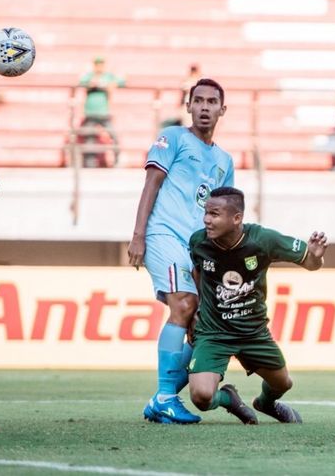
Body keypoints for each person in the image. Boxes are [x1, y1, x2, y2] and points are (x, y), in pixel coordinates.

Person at [128, 78, 235, 424]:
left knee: (199, 321)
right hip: (164, 234)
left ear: (222, 109)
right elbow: (152, 184)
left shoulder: (224, 160)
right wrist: (139, 235)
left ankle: (163, 397)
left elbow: (222, 215)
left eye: (211, 102)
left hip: (198, 250)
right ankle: (163, 396)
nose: (205, 107)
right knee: (184, 304)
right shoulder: (173, 138)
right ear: (188, 106)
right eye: (198, 101)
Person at [188, 187, 327, 425]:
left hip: (254, 333)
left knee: (283, 383)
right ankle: (228, 399)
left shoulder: (263, 240)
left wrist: (315, 255)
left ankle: (265, 403)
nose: (206, 220)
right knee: (201, 397)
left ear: (237, 218)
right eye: (206, 213)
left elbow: (311, 263)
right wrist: (197, 312)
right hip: (214, 334)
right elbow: (197, 273)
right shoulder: (199, 242)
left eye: (214, 214)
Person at [77, 56, 125, 167]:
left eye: (101, 64)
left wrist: (113, 83)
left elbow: (122, 81)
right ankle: (89, 164)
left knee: (113, 136)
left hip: (104, 113)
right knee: (89, 138)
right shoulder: (89, 76)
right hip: (90, 113)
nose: (99, 67)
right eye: (97, 64)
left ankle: (117, 161)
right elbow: (81, 82)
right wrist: (92, 83)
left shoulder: (108, 76)